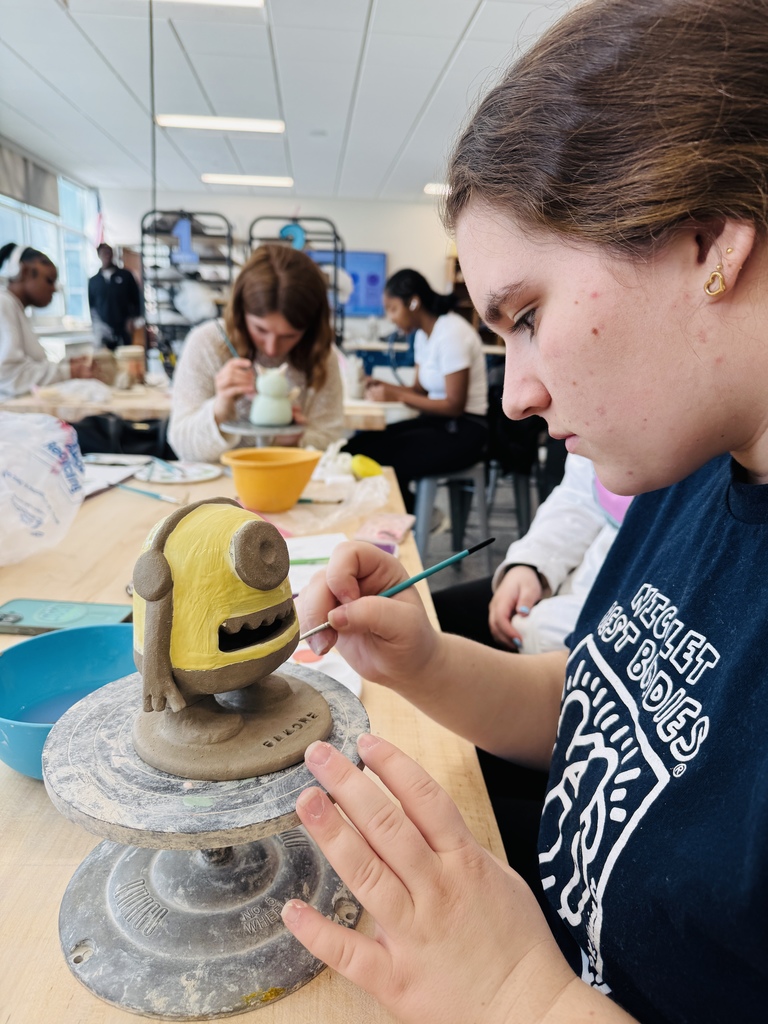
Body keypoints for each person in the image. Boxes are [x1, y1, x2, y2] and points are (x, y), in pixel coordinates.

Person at [285, 2, 768, 1022]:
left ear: (712, 241)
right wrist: (422, 662)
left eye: (531, 317)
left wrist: (519, 992)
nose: (515, 396)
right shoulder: (685, 470)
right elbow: (602, 714)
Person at [434, 454, 632, 654]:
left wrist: (541, 629)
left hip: (579, 631)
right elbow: (579, 496)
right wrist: (530, 565)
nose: (515, 420)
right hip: (563, 588)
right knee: (433, 614)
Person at [168, 244, 345, 463]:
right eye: (260, 330)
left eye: (289, 336)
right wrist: (220, 409)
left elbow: (330, 437)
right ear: (241, 313)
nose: (271, 348)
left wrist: (294, 441)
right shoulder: (208, 343)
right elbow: (182, 446)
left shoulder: (319, 354)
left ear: (310, 328)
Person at [343, 268, 488, 512]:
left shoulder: (452, 332)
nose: (390, 318)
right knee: (355, 448)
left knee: (385, 459)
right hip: (438, 423)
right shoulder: (423, 336)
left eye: (392, 309)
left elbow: (454, 406)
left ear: (413, 302)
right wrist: (380, 385)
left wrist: (396, 395)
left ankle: (414, 517)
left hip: (466, 430)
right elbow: (419, 391)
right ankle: (407, 513)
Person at [0, 243, 92, 399]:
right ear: (25, 271)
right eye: (49, 280)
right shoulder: (3, 303)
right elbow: (9, 376)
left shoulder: (15, 308)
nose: (54, 289)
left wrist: (66, 365)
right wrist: (68, 371)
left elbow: (27, 366)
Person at [88, 243, 142, 350]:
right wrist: (97, 328)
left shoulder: (126, 275)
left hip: (124, 329)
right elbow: (92, 307)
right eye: (104, 253)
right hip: (104, 330)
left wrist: (133, 319)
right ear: (99, 255)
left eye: (109, 252)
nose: (107, 255)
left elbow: (137, 299)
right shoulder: (93, 281)